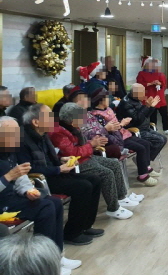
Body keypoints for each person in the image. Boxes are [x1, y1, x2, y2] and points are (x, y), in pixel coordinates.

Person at [0, 116, 81, 275]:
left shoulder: (10, 151)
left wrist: (28, 191)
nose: (16, 137)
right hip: (2, 205)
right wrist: (8, 177)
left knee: (54, 203)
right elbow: (12, 175)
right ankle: (41, 260)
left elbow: (21, 177)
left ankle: (57, 255)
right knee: (45, 208)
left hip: (12, 198)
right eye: (11, 133)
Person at [18, 104, 104, 245]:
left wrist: (62, 160)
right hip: (41, 180)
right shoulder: (23, 140)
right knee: (83, 187)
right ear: (36, 122)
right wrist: (58, 169)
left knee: (94, 179)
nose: (53, 119)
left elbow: (49, 158)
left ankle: (85, 226)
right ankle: (72, 233)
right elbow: (29, 169)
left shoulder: (43, 135)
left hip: (54, 173)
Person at [51, 103, 141, 220]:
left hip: (87, 157)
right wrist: (92, 144)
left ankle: (122, 197)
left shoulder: (74, 127)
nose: (83, 120)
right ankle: (113, 208)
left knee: (114, 163)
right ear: (72, 120)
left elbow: (82, 145)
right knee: (106, 173)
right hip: (76, 163)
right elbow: (72, 153)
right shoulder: (58, 133)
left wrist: (94, 142)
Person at [90, 89, 159, 186]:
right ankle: (143, 175)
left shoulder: (108, 109)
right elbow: (106, 130)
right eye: (107, 98)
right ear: (101, 100)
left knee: (146, 143)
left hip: (121, 134)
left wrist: (122, 123)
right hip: (115, 139)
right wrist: (121, 124)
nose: (109, 100)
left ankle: (146, 167)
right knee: (141, 148)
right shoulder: (97, 115)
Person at [116, 84, 168, 162]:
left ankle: (143, 161)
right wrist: (146, 106)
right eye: (143, 92)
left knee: (163, 139)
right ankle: (143, 162)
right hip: (134, 130)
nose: (145, 94)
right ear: (135, 93)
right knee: (159, 140)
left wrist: (151, 107)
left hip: (144, 127)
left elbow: (145, 116)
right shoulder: (126, 103)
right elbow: (137, 120)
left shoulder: (136, 99)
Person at [136, 57, 168, 135]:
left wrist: (159, 83)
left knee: (164, 113)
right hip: (149, 96)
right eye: (150, 64)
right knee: (153, 114)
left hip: (160, 96)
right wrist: (150, 83)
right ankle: (154, 129)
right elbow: (139, 84)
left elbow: (163, 84)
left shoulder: (159, 73)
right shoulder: (141, 74)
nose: (152, 65)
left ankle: (166, 128)